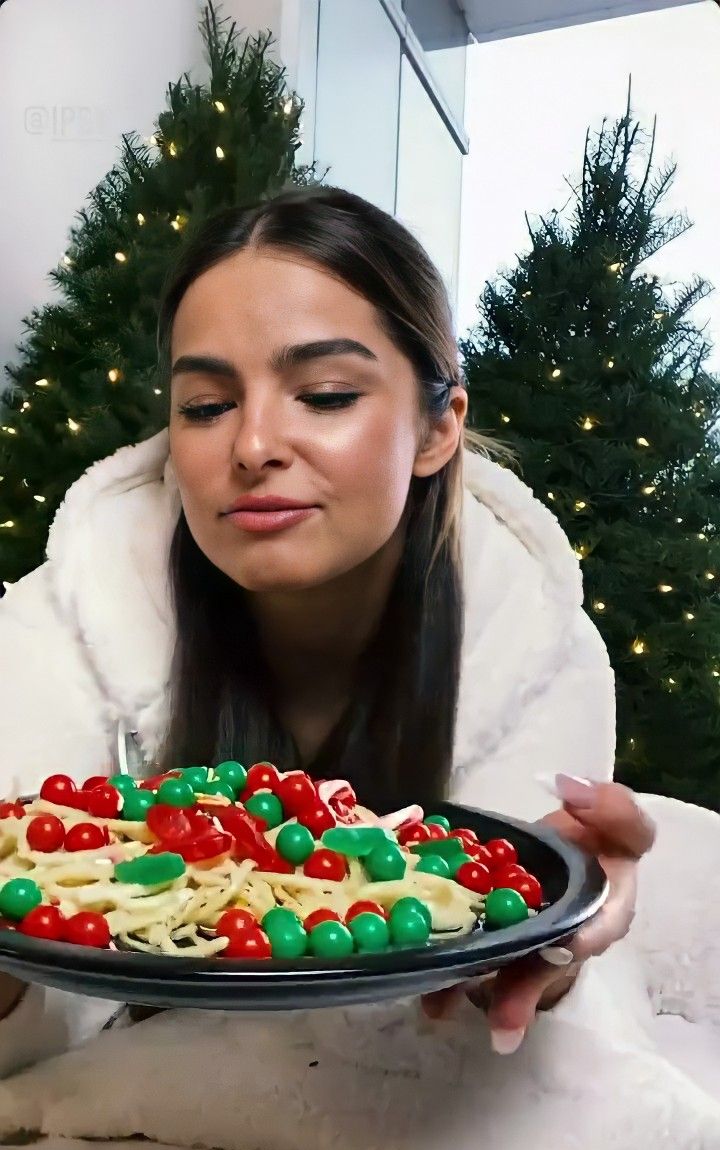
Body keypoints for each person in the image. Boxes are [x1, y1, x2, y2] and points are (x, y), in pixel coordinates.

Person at [0, 185, 652, 1070]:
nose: (254, 444)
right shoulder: (59, 622)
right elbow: (42, 995)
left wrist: (558, 951)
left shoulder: (535, 651)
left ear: (435, 429)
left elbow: (473, 1021)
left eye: (327, 393)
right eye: (204, 406)